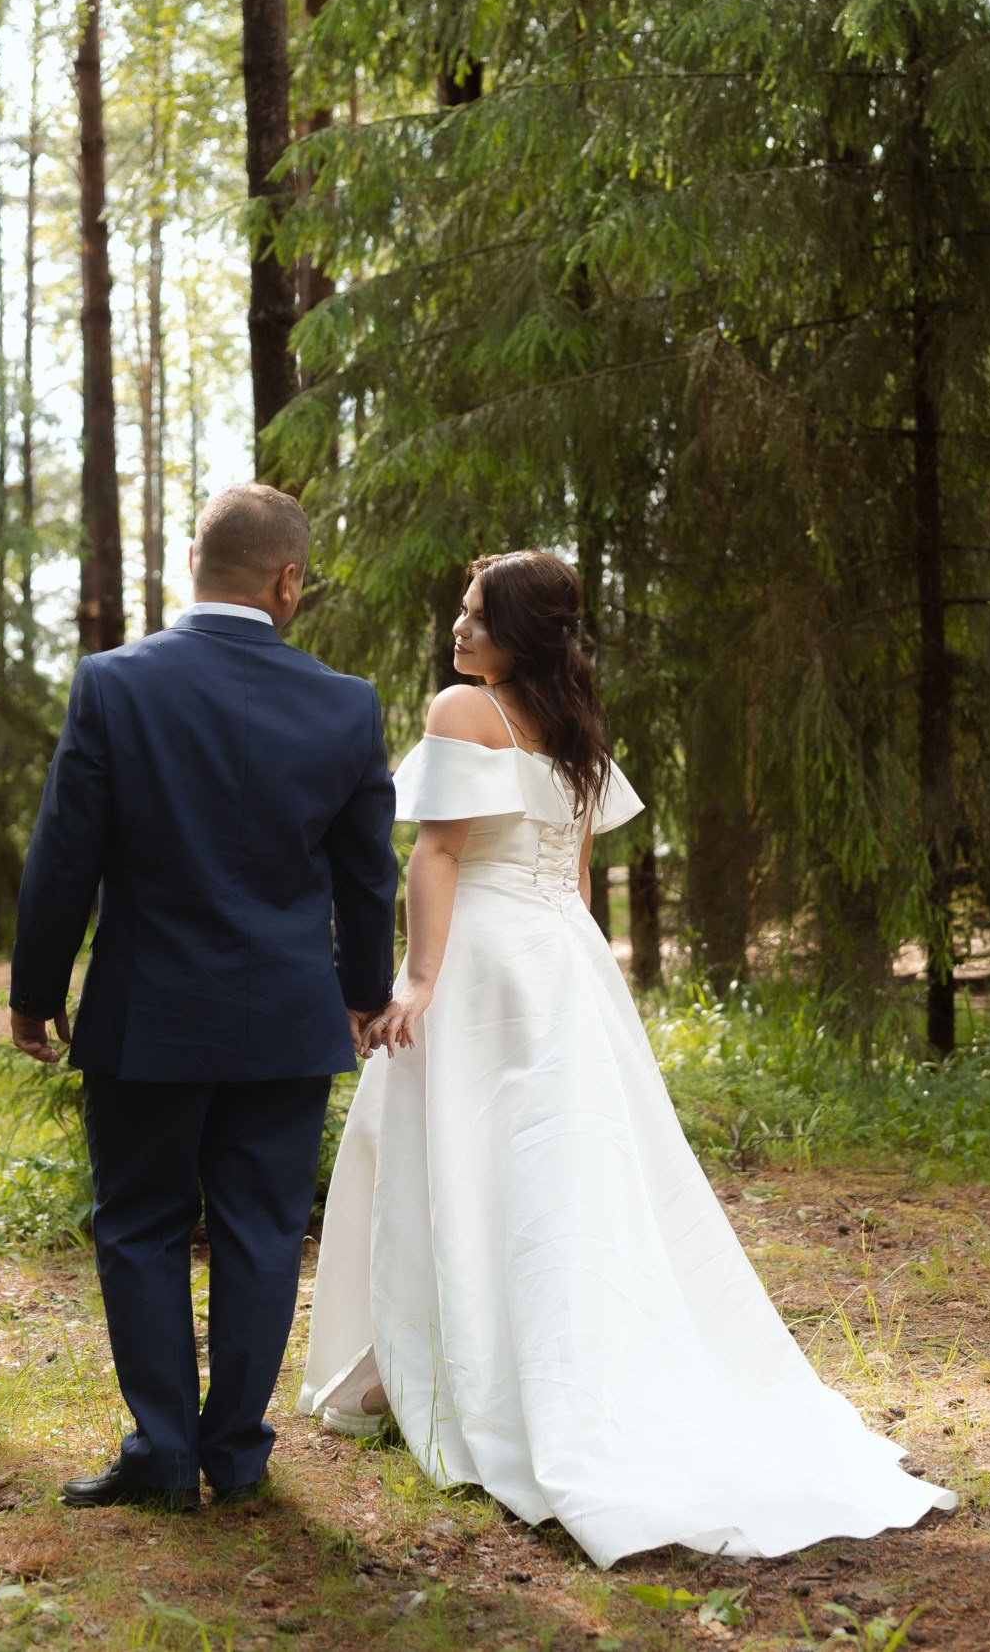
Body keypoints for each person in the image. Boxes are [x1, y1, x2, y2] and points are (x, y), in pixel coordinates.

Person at [298, 550, 954, 1569]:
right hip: (558, 962)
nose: (456, 630)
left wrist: (418, 980)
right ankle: (518, 1361)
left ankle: (473, 1375)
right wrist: (580, 974)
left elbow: (435, 854)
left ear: (519, 633)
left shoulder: (463, 713)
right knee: (562, 1171)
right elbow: (571, 874)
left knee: (461, 1160)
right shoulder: (571, 727)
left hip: (481, 962)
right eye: (460, 613)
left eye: (475, 616)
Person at [9, 483, 398, 1512]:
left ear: (194, 566)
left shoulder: (114, 685)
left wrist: (34, 992)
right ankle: (237, 1452)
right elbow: (367, 878)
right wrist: (362, 994)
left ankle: (165, 1456)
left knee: (138, 1224)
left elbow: (63, 859)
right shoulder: (345, 704)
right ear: (288, 581)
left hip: (149, 1013)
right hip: (285, 1018)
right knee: (263, 1230)